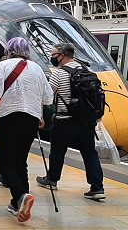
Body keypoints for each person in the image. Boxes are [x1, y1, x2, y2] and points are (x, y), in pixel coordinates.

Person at [0, 37, 53, 223]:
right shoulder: (37, 69)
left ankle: (21, 196)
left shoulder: (3, 66)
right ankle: (16, 203)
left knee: (4, 162)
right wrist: (40, 115)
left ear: (8, 50)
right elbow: (48, 98)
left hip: (8, 118)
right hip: (31, 120)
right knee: (20, 161)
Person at [36, 43, 106, 200]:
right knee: (89, 153)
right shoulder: (86, 71)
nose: (52, 57)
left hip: (64, 119)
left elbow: (47, 97)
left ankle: (52, 179)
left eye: (54, 55)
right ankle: (97, 187)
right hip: (86, 121)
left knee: (58, 151)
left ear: (62, 55)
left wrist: (41, 113)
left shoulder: (59, 74)